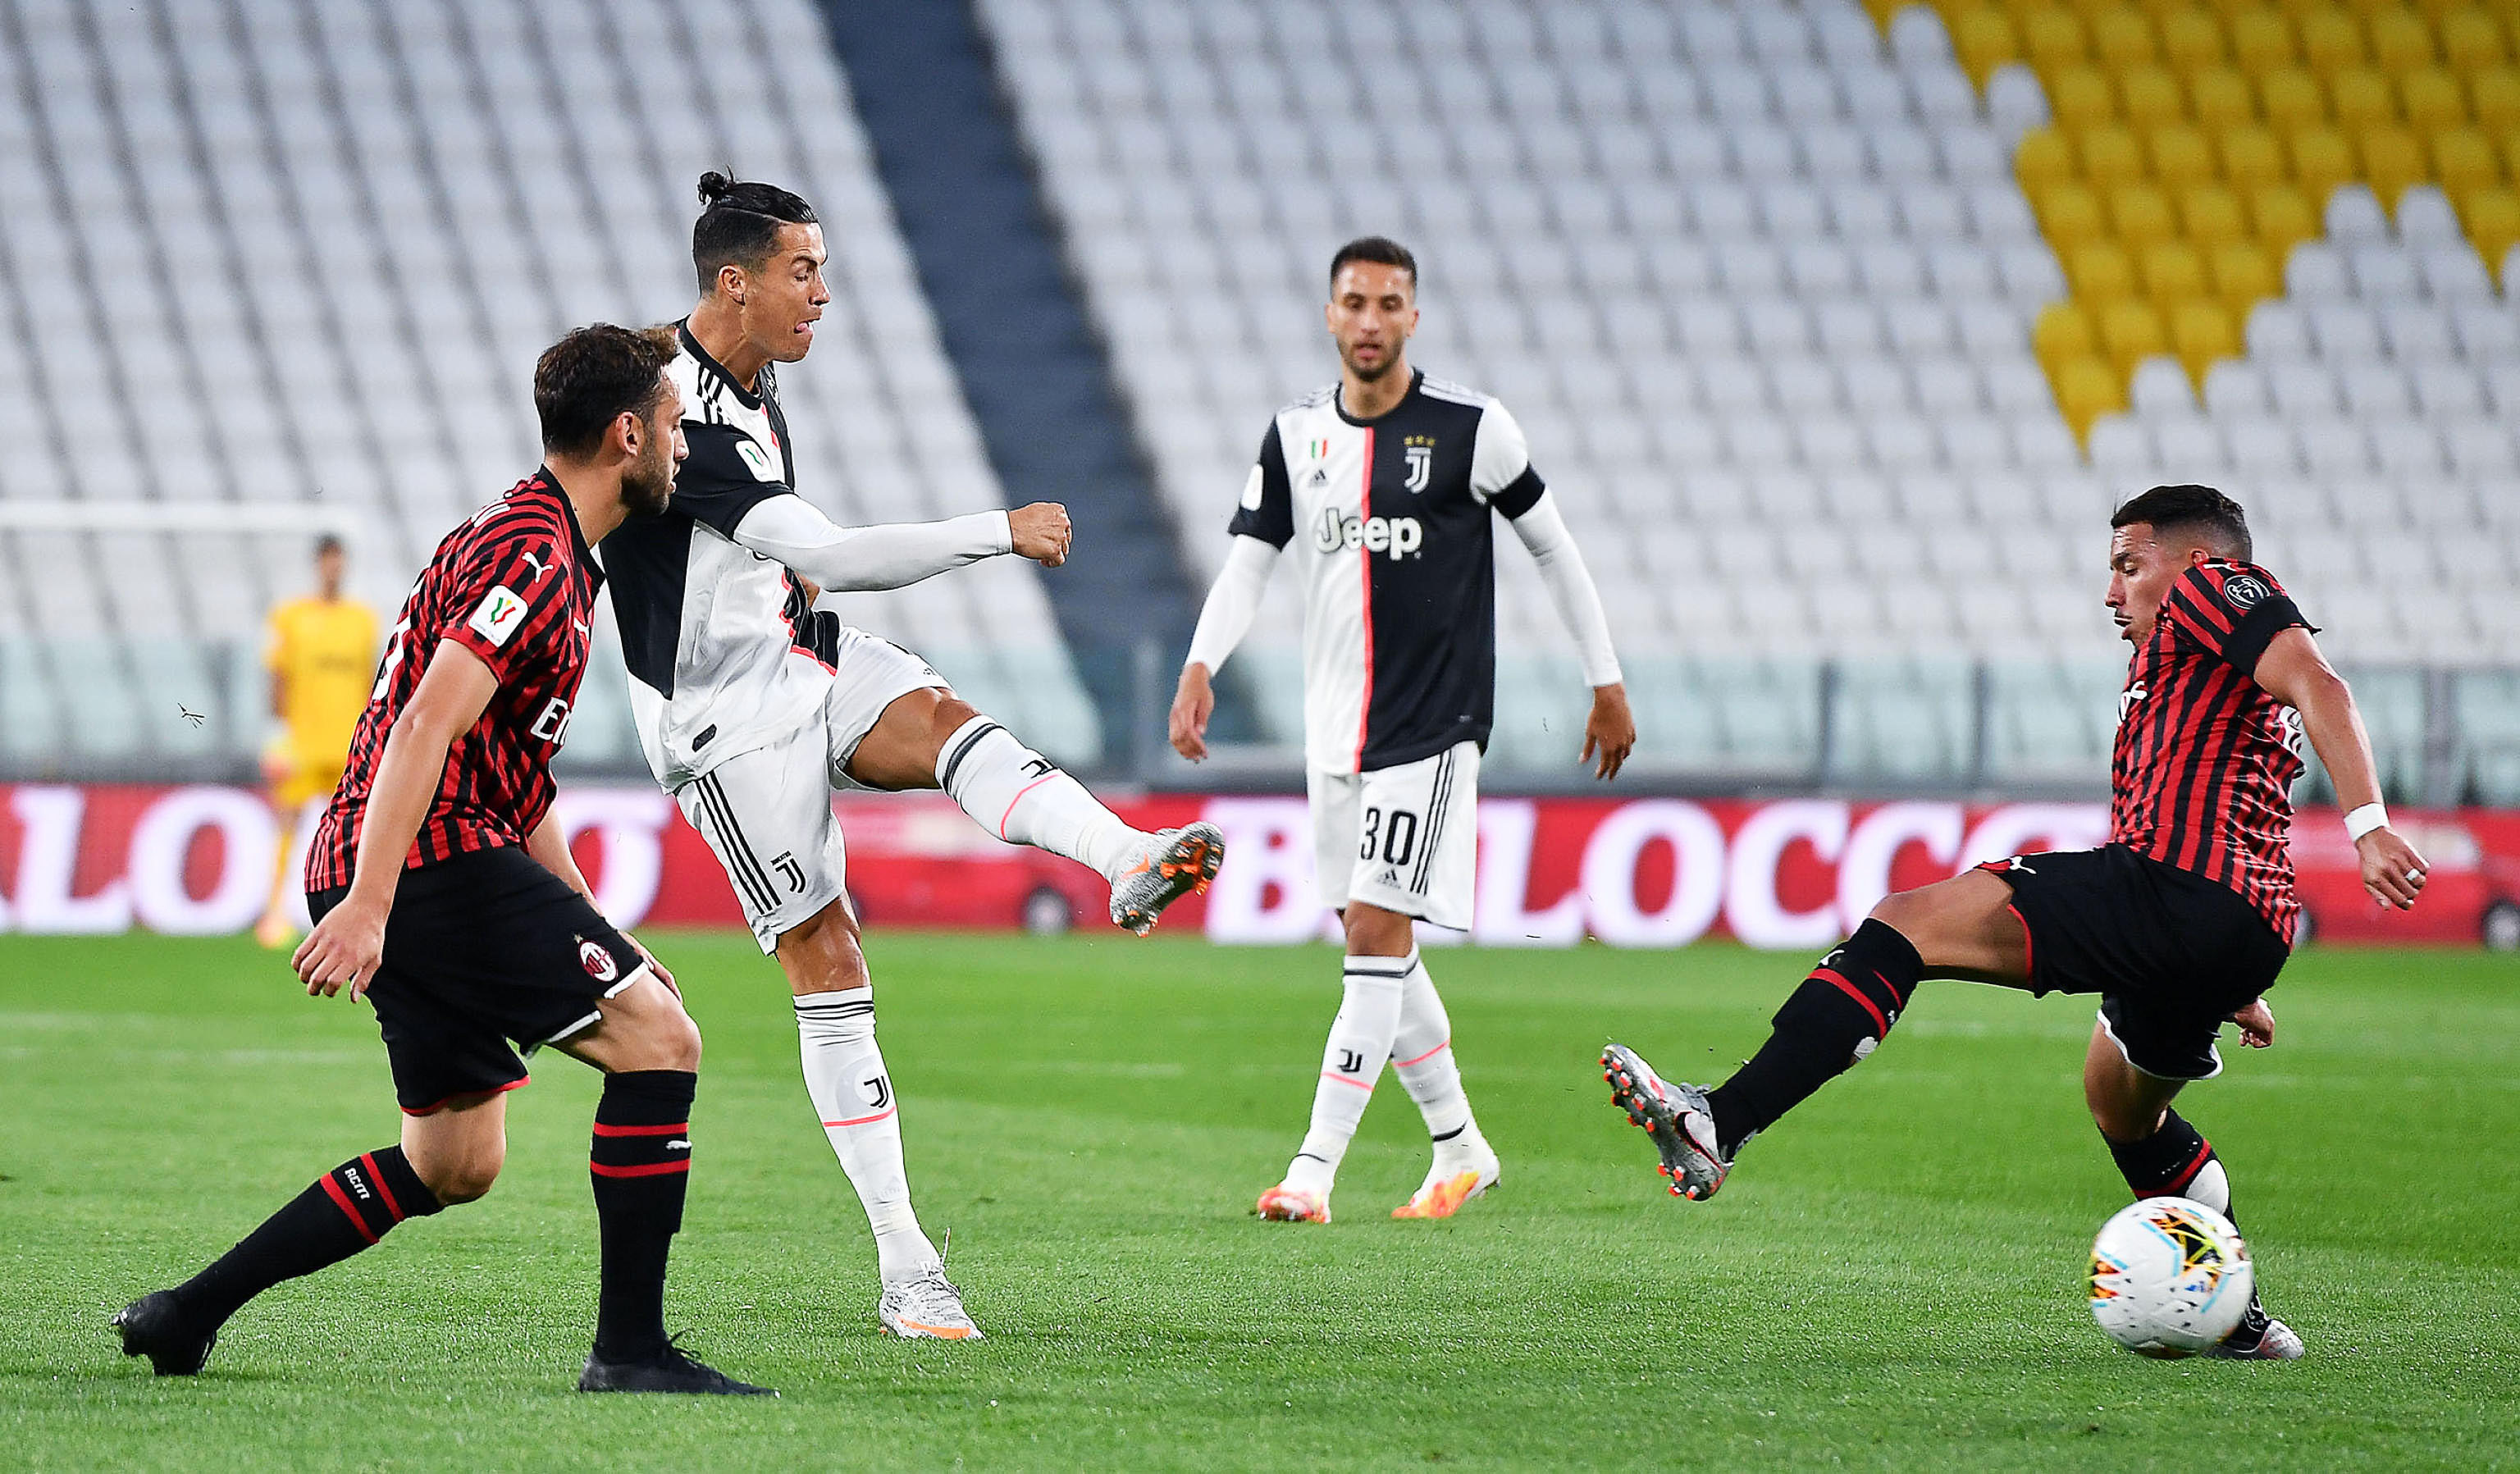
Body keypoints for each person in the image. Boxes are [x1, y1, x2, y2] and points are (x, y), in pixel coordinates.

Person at [601, 173, 1222, 1340]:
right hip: (720, 724)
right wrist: (1002, 530)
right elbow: (829, 550)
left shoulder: (733, 368)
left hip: (793, 649)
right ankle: (906, 1267)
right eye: (805, 270)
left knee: (942, 719)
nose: (825, 294)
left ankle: (1128, 855)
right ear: (738, 281)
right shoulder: (682, 420)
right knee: (828, 957)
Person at [1601, 484, 2428, 1361]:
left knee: (1906, 924)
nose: (2113, 592)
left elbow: (2320, 683)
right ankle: (2239, 1322)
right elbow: (2239, 794)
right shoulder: (2182, 665)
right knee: (2121, 1106)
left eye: (2127, 565)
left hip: (2180, 892)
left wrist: (2369, 827)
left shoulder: (2215, 588)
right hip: (2224, 922)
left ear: (2192, 561)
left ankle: (1719, 1122)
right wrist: (2228, 974)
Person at [115, 325, 770, 1396]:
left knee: (454, 1163)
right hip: (428, 860)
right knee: (662, 1040)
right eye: (672, 425)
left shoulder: (524, 534)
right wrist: (373, 905)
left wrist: (599, 928)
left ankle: (188, 1314)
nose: (682, 445)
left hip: (404, 848)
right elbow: (428, 723)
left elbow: (516, 775)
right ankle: (632, 1354)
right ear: (624, 434)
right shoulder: (534, 556)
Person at [1170, 236, 1637, 1225]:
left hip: (1433, 725)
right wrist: (1201, 662)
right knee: (1370, 938)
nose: (1372, 321)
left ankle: (1313, 1169)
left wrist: (1606, 680)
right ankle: (1460, 1147)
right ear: (1330, 314)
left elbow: (1555, 550)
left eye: (1390, 304)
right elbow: (1250, 560)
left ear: (1414, 317)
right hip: (1332, 728)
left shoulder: (1474, 428)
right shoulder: (1296, 436)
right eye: (1355, 303)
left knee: (1377, 932)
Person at [254, 534, 377, 948]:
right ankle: (275, 912)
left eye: (339, 561)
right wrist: (279, 732)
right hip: (303, 743)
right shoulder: (289, 617)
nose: (334, 569)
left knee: (357, 830)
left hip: (349, 744)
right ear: (317, 565)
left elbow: (371, 681)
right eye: (328, 561)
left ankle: (351, 911)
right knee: (287, 819)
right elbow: (276, 677)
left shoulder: (363, 620)